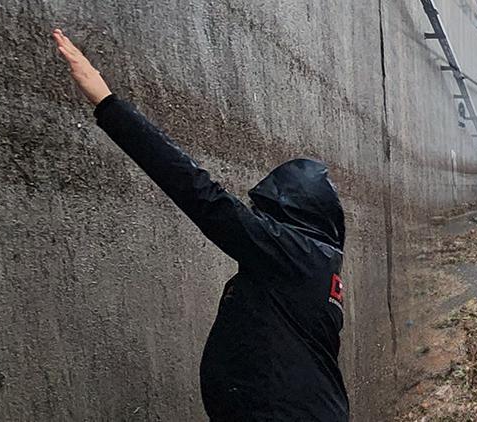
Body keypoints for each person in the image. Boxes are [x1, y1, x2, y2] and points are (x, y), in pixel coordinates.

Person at [52, 29, 349, 421]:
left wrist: (107, 103)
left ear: (294, 214)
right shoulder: (314, 264)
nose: (258, 222)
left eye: (268, 215)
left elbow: (204, 197)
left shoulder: (294, 255)